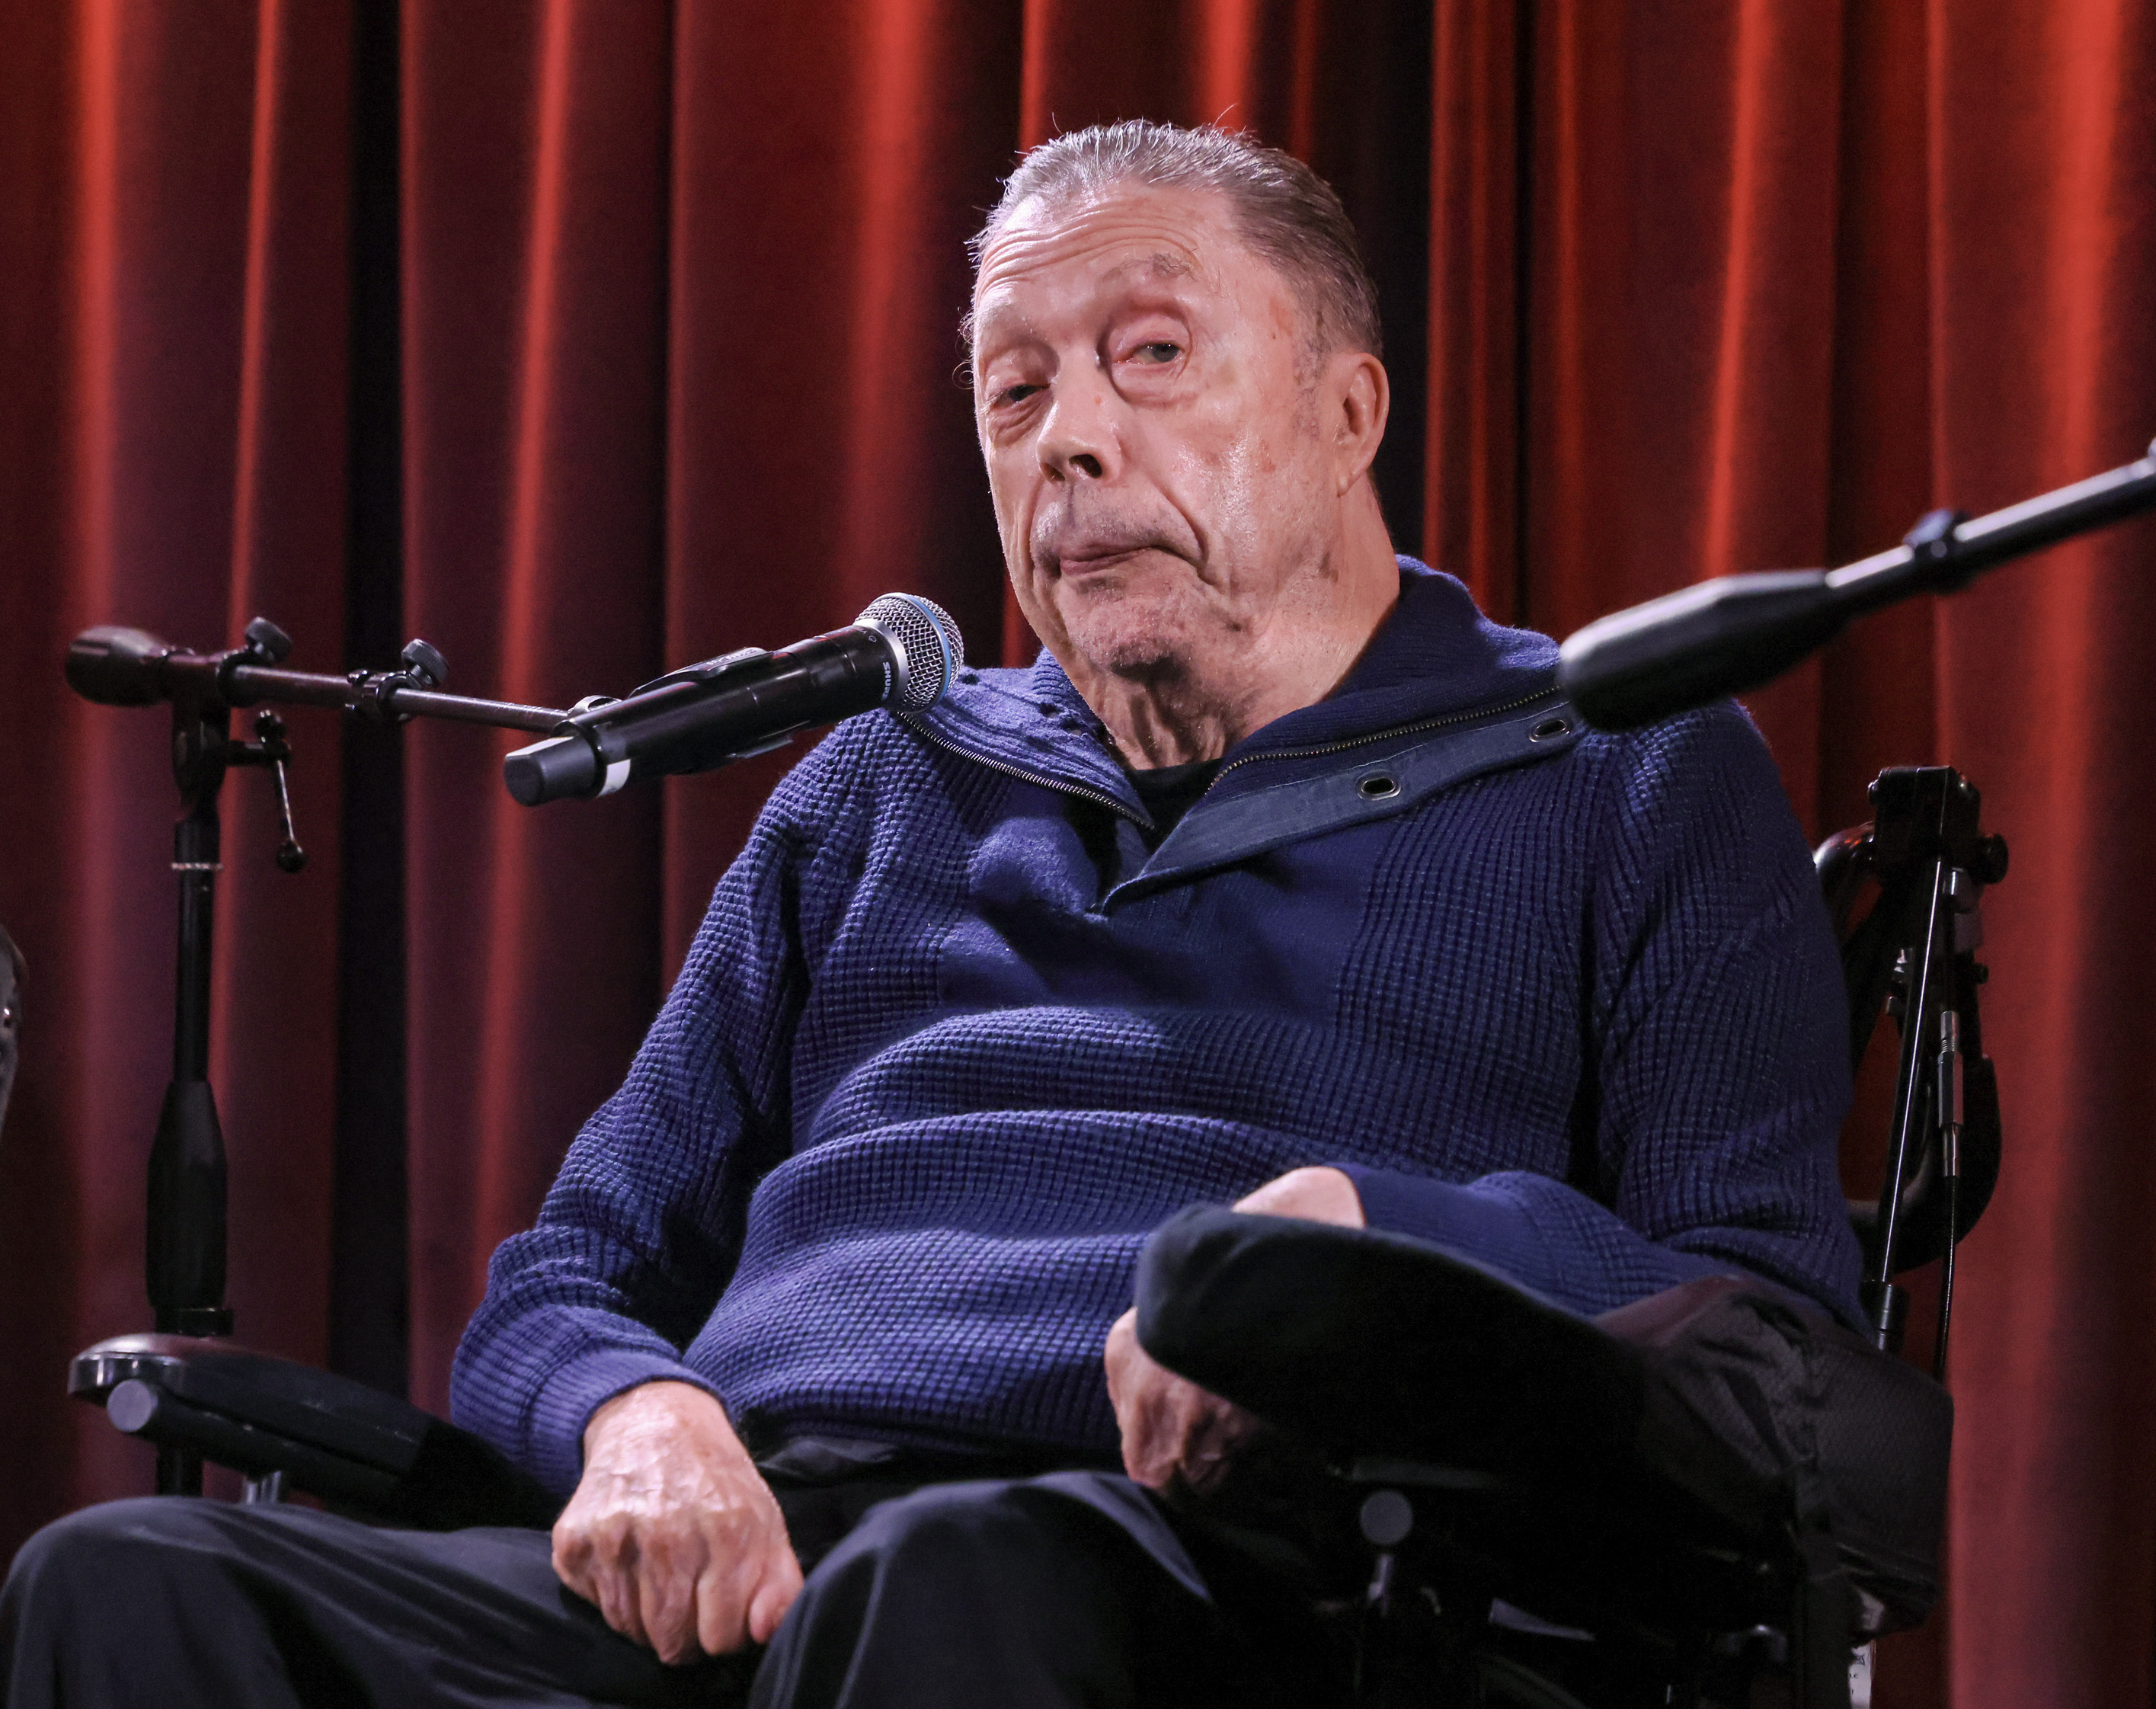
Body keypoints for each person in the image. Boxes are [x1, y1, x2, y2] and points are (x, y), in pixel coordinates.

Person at [0, 121, 1861, 1708]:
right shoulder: (888, 782)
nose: (1069, 440)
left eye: (1150, 357)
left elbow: (1768, 1333)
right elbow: (563, 1285)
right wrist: (635, 1417)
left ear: (1347, 407)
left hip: (1222, 1584)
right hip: (753, 1565)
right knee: (127, 1586)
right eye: (1015, 387)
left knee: (956, 1583)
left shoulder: (1616, 766)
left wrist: (1371, 1253)